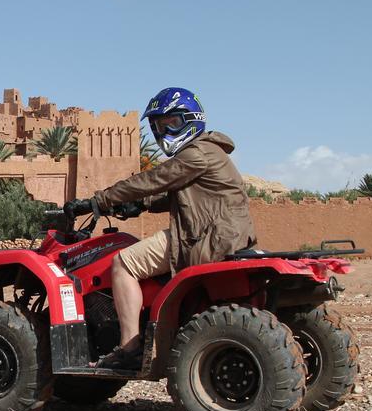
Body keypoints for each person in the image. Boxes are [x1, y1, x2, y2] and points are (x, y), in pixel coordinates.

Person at [65, 87, 256, 369]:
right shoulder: (210, 152)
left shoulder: (196, 153)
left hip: (204, 235)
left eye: (172, 124)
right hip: (223, 232)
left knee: (123, 263)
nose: (165, 132)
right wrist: (139, 206)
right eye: (159, 127)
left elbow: (154, 180)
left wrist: (99, 201)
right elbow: (177, 194)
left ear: (192, 119)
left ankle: (129, 347)